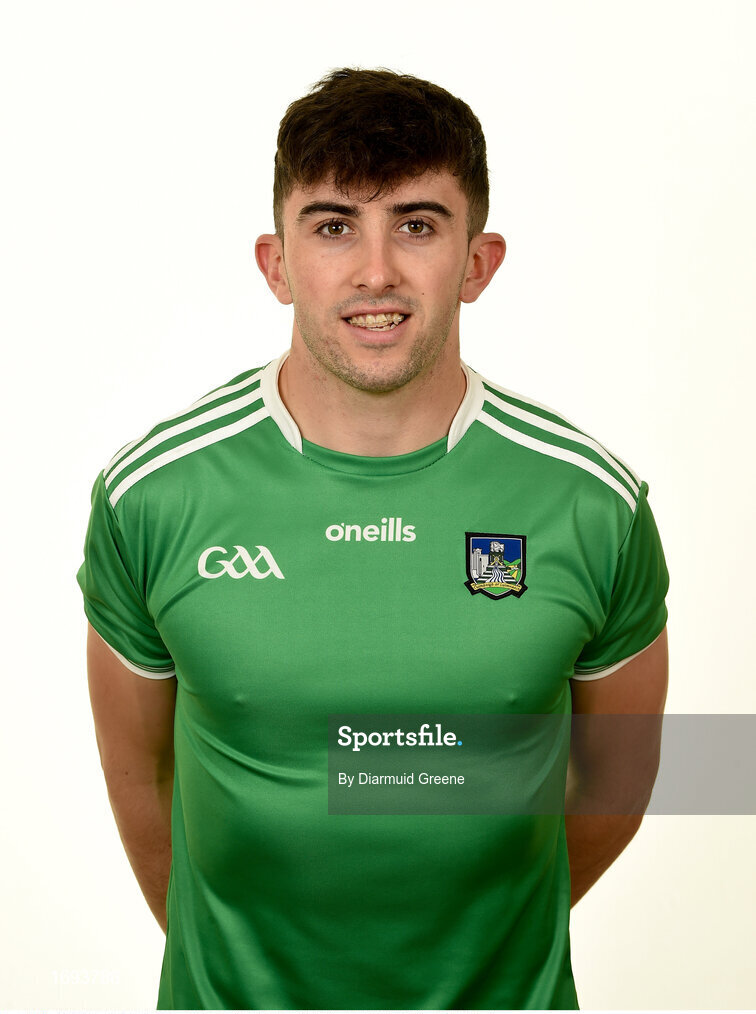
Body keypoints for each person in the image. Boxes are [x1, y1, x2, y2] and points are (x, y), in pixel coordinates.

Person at [77, 67, 669, 1010]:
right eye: (334, 225)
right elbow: (144, 783)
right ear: (277, 263)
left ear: (478, 261)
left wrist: (488, 941)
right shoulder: (153, 494)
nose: (376, 272)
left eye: (418, 224)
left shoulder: (591, 504)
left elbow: (623, 778)